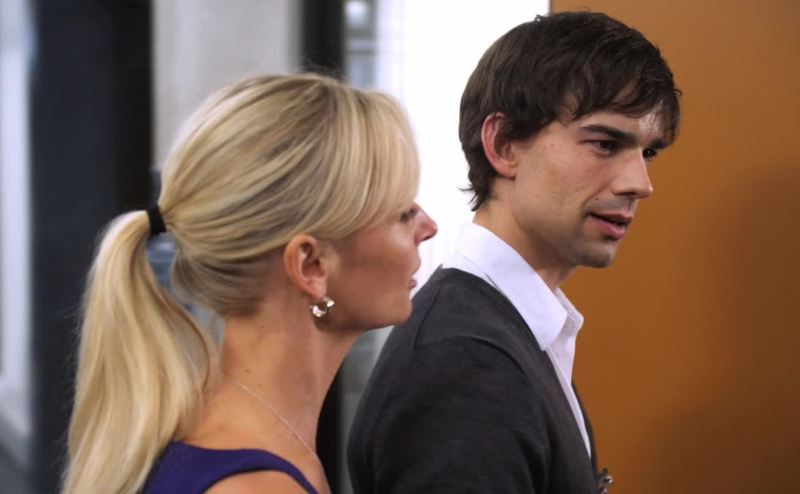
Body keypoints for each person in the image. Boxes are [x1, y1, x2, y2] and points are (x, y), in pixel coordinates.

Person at [348, 11, 681, 494]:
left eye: (648, 153)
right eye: (605, 143)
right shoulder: (463, 362)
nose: (640, 183)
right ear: (504, 145)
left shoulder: (504, 328)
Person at [62, 73, 437, 494]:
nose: (430, 227)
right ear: (311, 266)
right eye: (403, 213)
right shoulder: (254, 484)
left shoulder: (244, 442)